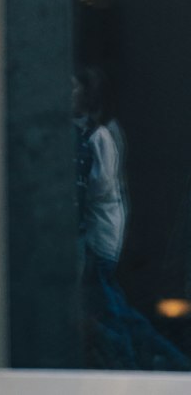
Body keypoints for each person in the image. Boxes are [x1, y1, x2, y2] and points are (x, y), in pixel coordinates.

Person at [73, 67, 189, 371]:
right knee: (113, 309)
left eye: (72, 87)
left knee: (112, 312)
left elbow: (101, 192)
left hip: (98, 241)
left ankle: (143, 364)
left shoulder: (96, 136)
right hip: (98, 239)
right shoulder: (91, 133)